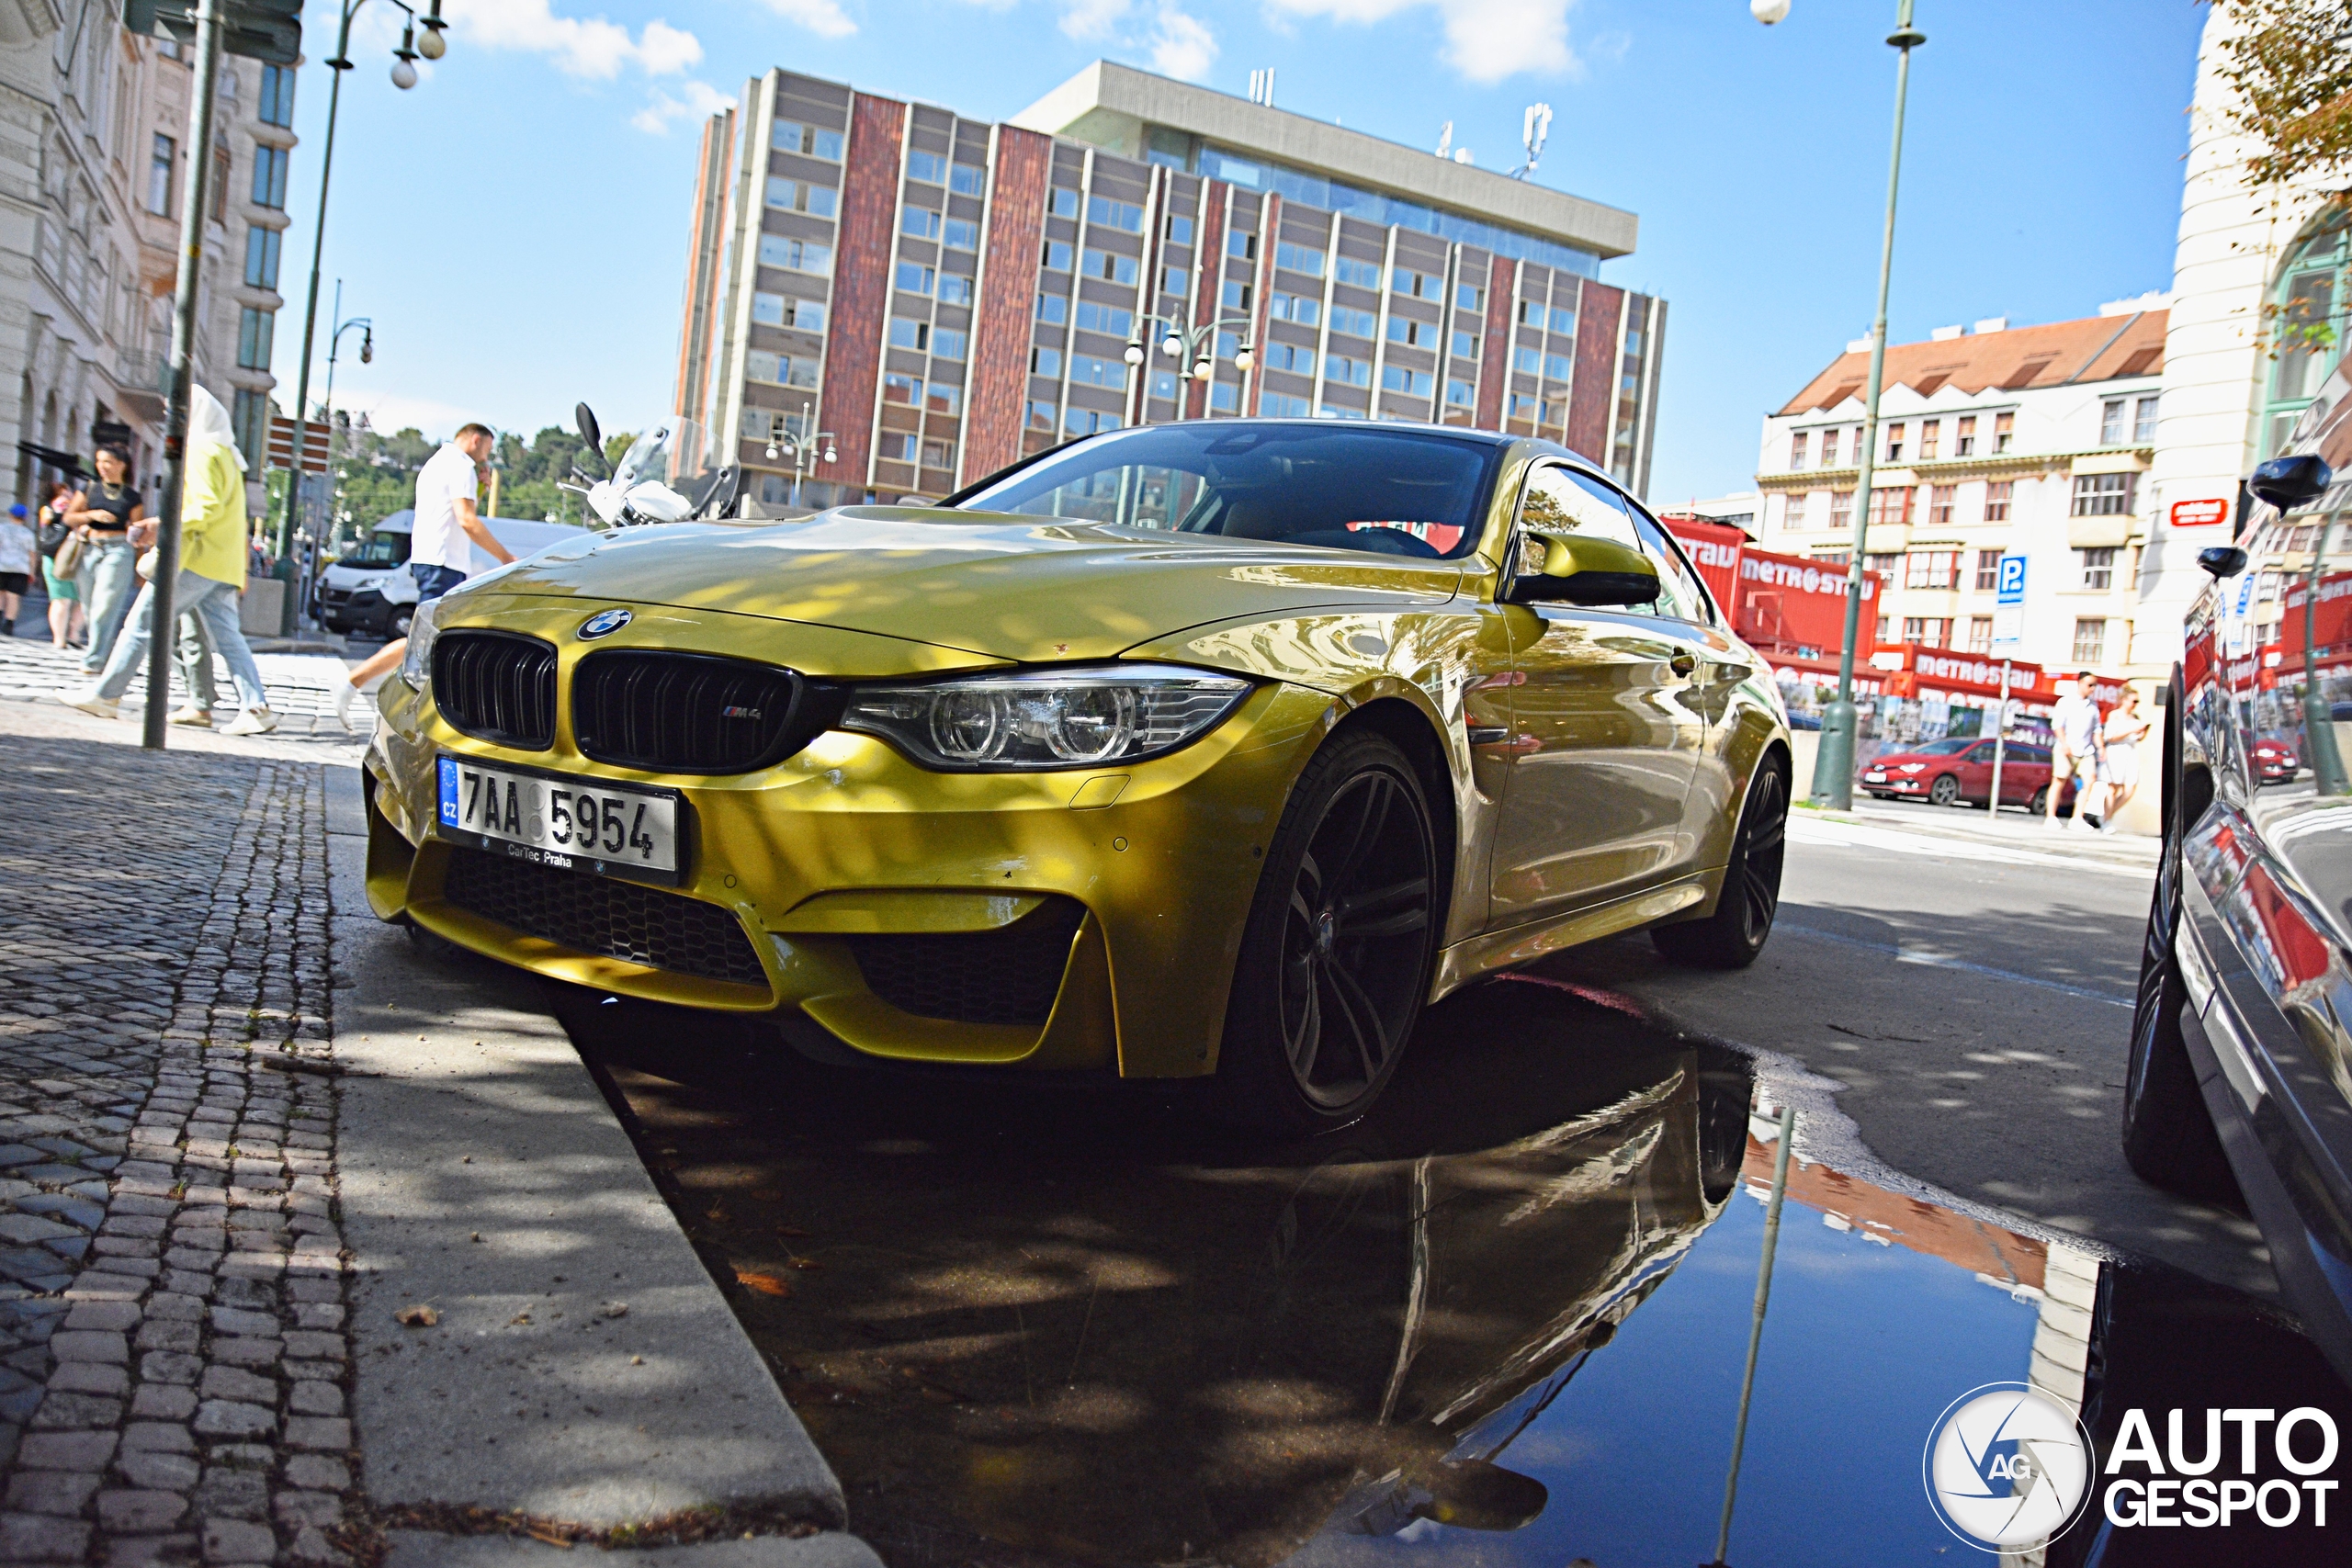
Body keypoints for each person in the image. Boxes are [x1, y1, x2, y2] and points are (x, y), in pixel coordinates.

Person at [62, 387, 277, 734]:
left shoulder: (202, 451)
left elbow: (205, 509)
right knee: (228, 638)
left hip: (195, 559)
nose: (170, 419)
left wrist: (159, 523)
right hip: (219, 563)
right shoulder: (225, 453)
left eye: (176, 411)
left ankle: (106, 695)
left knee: (140, 625)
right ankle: (256, 707)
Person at [334, 423, 513, 728]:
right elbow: (467, 520)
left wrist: (480, 486)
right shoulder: (460, 465)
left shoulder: (436, 463)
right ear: (475, 439)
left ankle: (418, 712)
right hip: (444, 563)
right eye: (487, 448)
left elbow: (456, 514)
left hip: (431, 559)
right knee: (428, 640)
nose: (487, 456)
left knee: (432, 642)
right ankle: (354, 682)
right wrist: (506, 558)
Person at [64, 445, 144, 674]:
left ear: (122, 465)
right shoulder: (89, 489)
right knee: (90, 607)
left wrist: (140, 567)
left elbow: (138, 532)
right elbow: (69, 517)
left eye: (107, 462)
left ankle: (94, 661)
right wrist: (90, 515)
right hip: (89, 548)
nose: (102, 467)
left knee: (105, 607)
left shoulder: (132, 497)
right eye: (99, 461)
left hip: (118, 551)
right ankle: (103, 652)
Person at [2045, 674, 2107, 831]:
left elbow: (2096, 730)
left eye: (2095, 685)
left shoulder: (2093, 705)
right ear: (2080, 683)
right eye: (2090, 684)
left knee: (2089, 781)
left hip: (2086, 750)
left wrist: (2101, 748)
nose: (2092, 688)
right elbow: (2057, 725)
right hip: (2065, 748)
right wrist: (2065, 745)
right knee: (2059, 781)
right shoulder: (2066, 702)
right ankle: (2051, 817)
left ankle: (2077, 818)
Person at [36, 480, 84, 649]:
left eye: (68, 493)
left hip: (75, 557)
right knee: (61, 599)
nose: (67, 497)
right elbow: (50, 519)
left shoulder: (78, 509)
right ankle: (59, 639)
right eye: (63, 494)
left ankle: (73, 634)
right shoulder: (49, 509)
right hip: (54, 556)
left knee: (82, 599)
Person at [2100, 685, 2153, 826]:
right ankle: (2107, 820)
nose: (2135, 704)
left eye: (2137, 701)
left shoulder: (2135, 717)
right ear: (2124, 700)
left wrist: (2143, 732)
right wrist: (2131, 730)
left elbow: (2137, 738)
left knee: (2130, 789)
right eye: (2133, 701)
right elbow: (2110, 737)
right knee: (2113, 787)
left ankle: (2107, 816)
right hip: (2116, 751)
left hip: (2130, 751)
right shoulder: (2115, 715)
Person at [0, 502, 32, 637]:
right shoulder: (28, 533)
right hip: (20, 568)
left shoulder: (2, 529)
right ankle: (9, 624)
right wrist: (32, 570)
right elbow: (32, 554)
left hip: (2, 565)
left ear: (10, 514)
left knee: (0, 594)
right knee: (13, 597)